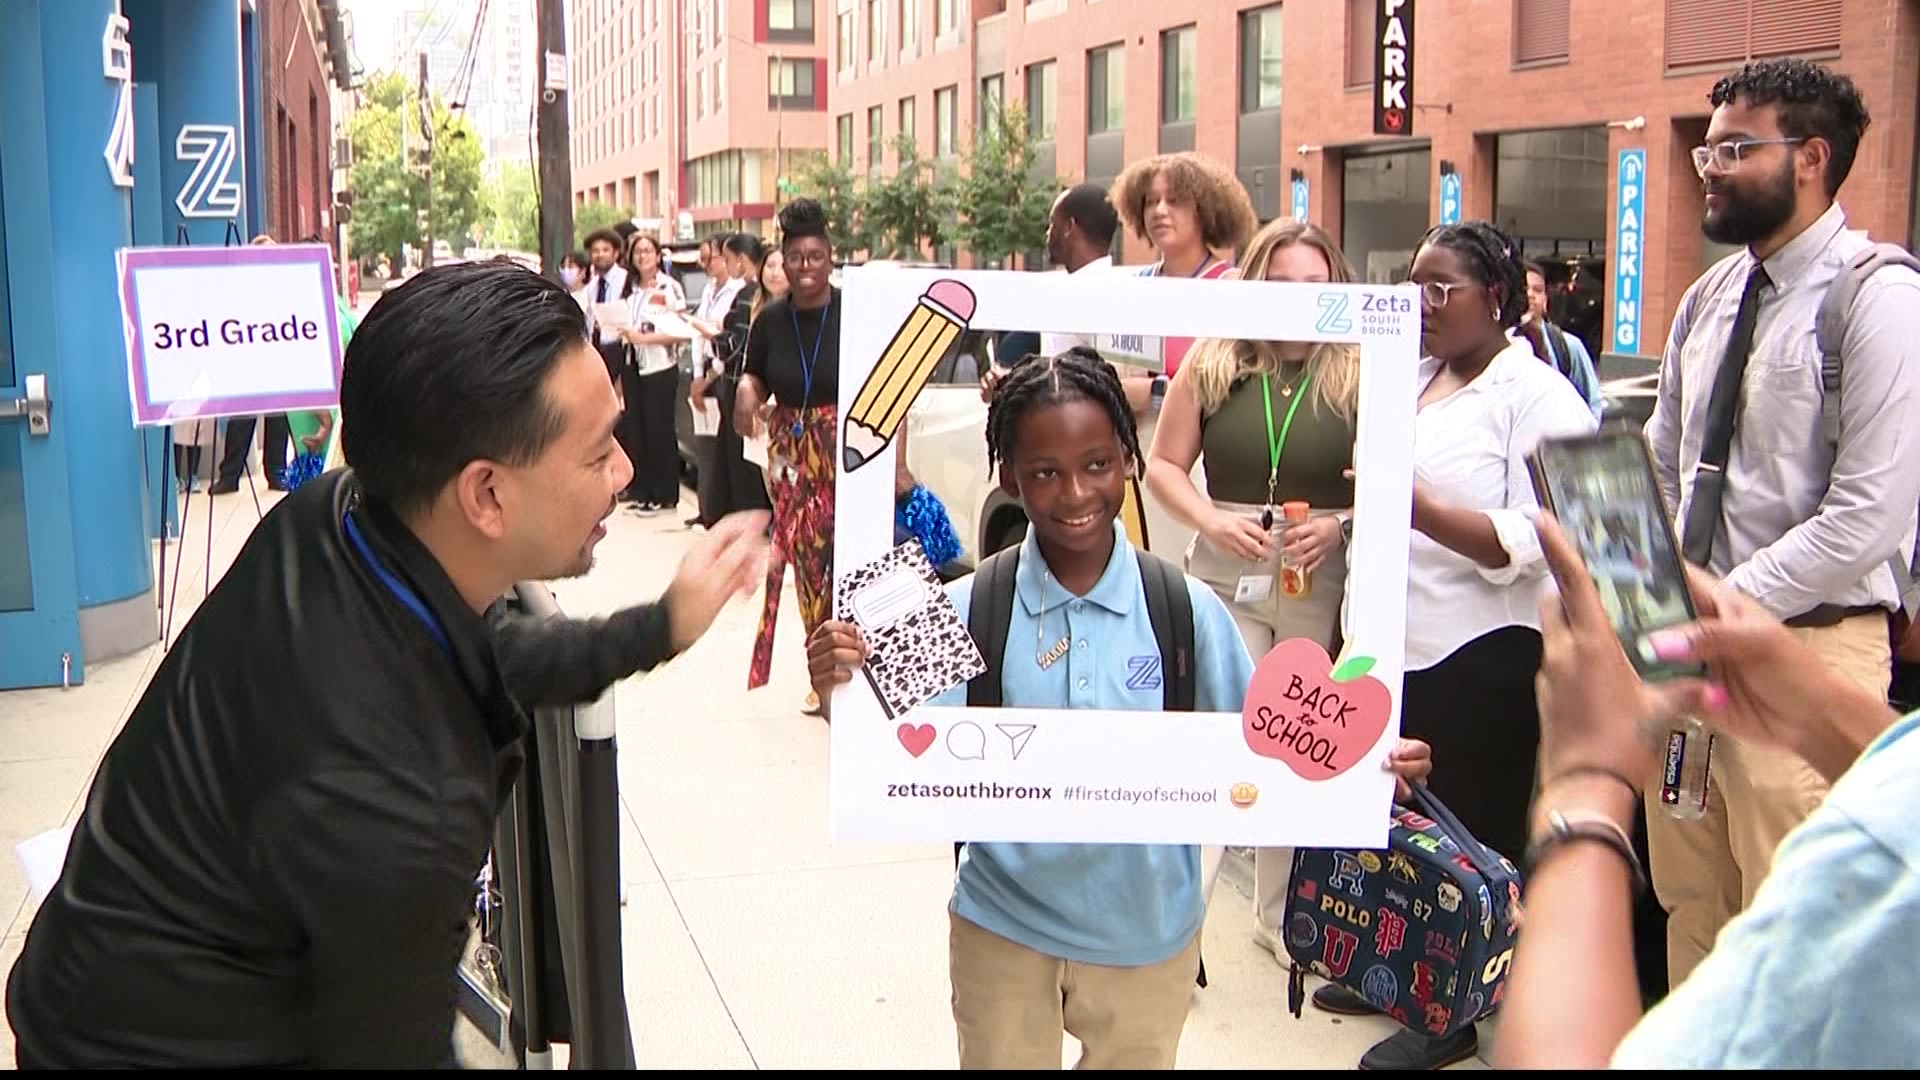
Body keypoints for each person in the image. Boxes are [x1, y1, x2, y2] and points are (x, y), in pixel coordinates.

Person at [3, 261, 770, 1069]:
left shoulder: (335, 520)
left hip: (93, 975)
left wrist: (660, 626)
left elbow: (484, 656)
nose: (624, 470)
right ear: (486, 497)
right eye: (595, 454)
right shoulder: (396, 800)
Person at [804, 347, 1435, 1070]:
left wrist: (1372, 766)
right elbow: (869, 742)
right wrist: (837, 682)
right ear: (1008, 476)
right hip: (1003, 927)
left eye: (1097, 463)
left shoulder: (1185, 613)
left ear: (1130, 461)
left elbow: (1279, 745)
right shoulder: (967, 606)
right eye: (1044, 471)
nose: (1074, 492)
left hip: (1149, 937)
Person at [1642, 57, 1920, 988]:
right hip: (1692, 657)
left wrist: (1717, 605)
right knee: (1694, 907)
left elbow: (1868, 515)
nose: (1708, 166)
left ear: (1810, 157)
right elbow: (1665, 457)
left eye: (1732, 148)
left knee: (1793, 924)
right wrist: (1655, 593)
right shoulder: (1706, 298)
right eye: (1705, 151)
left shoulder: (1878, 297)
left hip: (1812, 653)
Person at [1306, 221, 1597, 1070]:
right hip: (1390, 641)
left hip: (1480, 654)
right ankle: (1390, 967)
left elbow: (1547, 534)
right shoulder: (1415, 377)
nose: (1423, 305)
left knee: (1469, 839)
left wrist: (1419, 507)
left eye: (1443, 290)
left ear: (1498, 299)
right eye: (1415, 286)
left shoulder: (1536, 396)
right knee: (1396, 825)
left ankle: (1453, 1010)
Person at [1495, 513, 1918, 1069]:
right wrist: (1820, 713)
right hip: (1739, 672)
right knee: (1692, 906)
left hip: (1800, 634)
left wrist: (1586, 789)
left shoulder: (1878, 867)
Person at [1143, 219, 1361, 957]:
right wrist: (1209, 516)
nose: (1298, 299)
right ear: (1256, 284)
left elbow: (1393, 485)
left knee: (1293, 742)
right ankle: (1181, 928)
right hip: (1226, 561)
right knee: (1223, 741)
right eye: (1282, 284)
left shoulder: (1360, 370)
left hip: (1314, 570)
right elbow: (1164, 466)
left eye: (1314, 284)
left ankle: (1277, 919)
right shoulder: (1214, 363)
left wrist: (1342, 525)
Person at [736, 199, 843, 714]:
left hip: (845, 455)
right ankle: (820, 670)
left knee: (845, 562)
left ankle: (850, 668)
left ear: (830, 256)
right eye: (795, 257)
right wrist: (746, 391)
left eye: (815, 256)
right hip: (791, 461)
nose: (805, 267)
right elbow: (755, 374)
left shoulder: (852, 312)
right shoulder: (771, 320)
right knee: (807, 565)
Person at [616, 232, 690, 514]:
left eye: (648, 251)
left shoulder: (669, 287)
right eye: (638, 252)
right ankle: (643, 490)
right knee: (638, 427)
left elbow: (678, 332)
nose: (642, 256)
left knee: (659, 429)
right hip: (633, 362)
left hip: (660, 365)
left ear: (658, 255)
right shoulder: (632, 290)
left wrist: (644, 339)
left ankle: (664, 492)